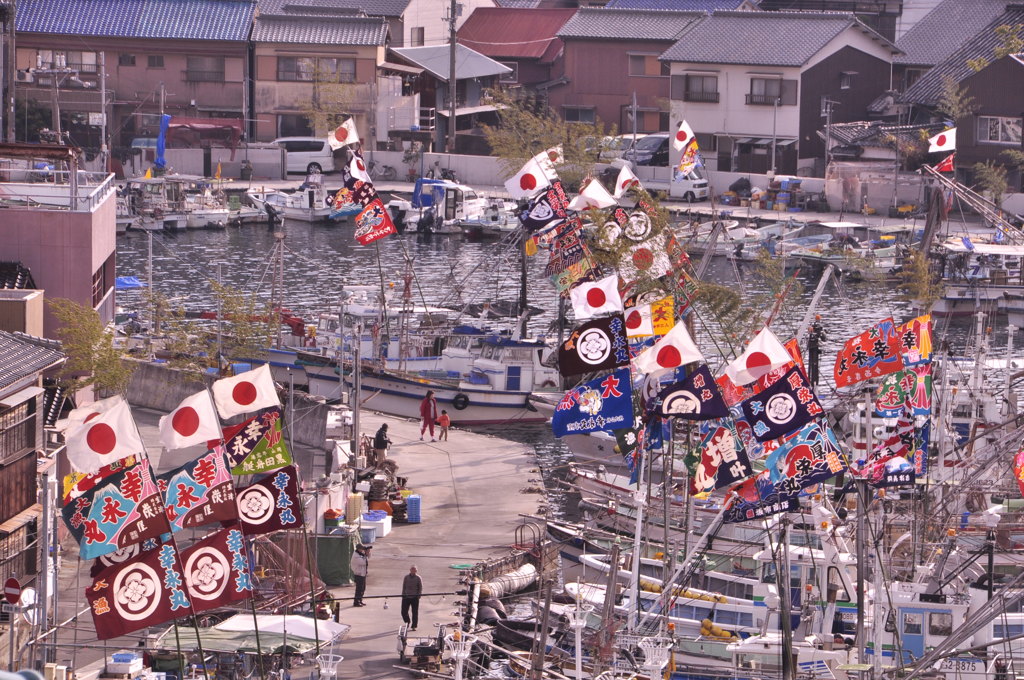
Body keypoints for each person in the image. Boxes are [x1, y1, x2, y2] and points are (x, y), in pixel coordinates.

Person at [401, 565, 423, 630]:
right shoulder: (406, 577)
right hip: (406, 597)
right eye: (412, 569)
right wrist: (403, 594)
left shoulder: (418, 578)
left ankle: (414, 626)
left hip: (415, 597)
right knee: (403, 612)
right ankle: (407, 621)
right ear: (410, 570)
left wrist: (419, 595)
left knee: (415, 612)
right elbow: (404, 586)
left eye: (414, 570)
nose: (413, 571)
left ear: (416, 571)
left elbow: (420, 587)